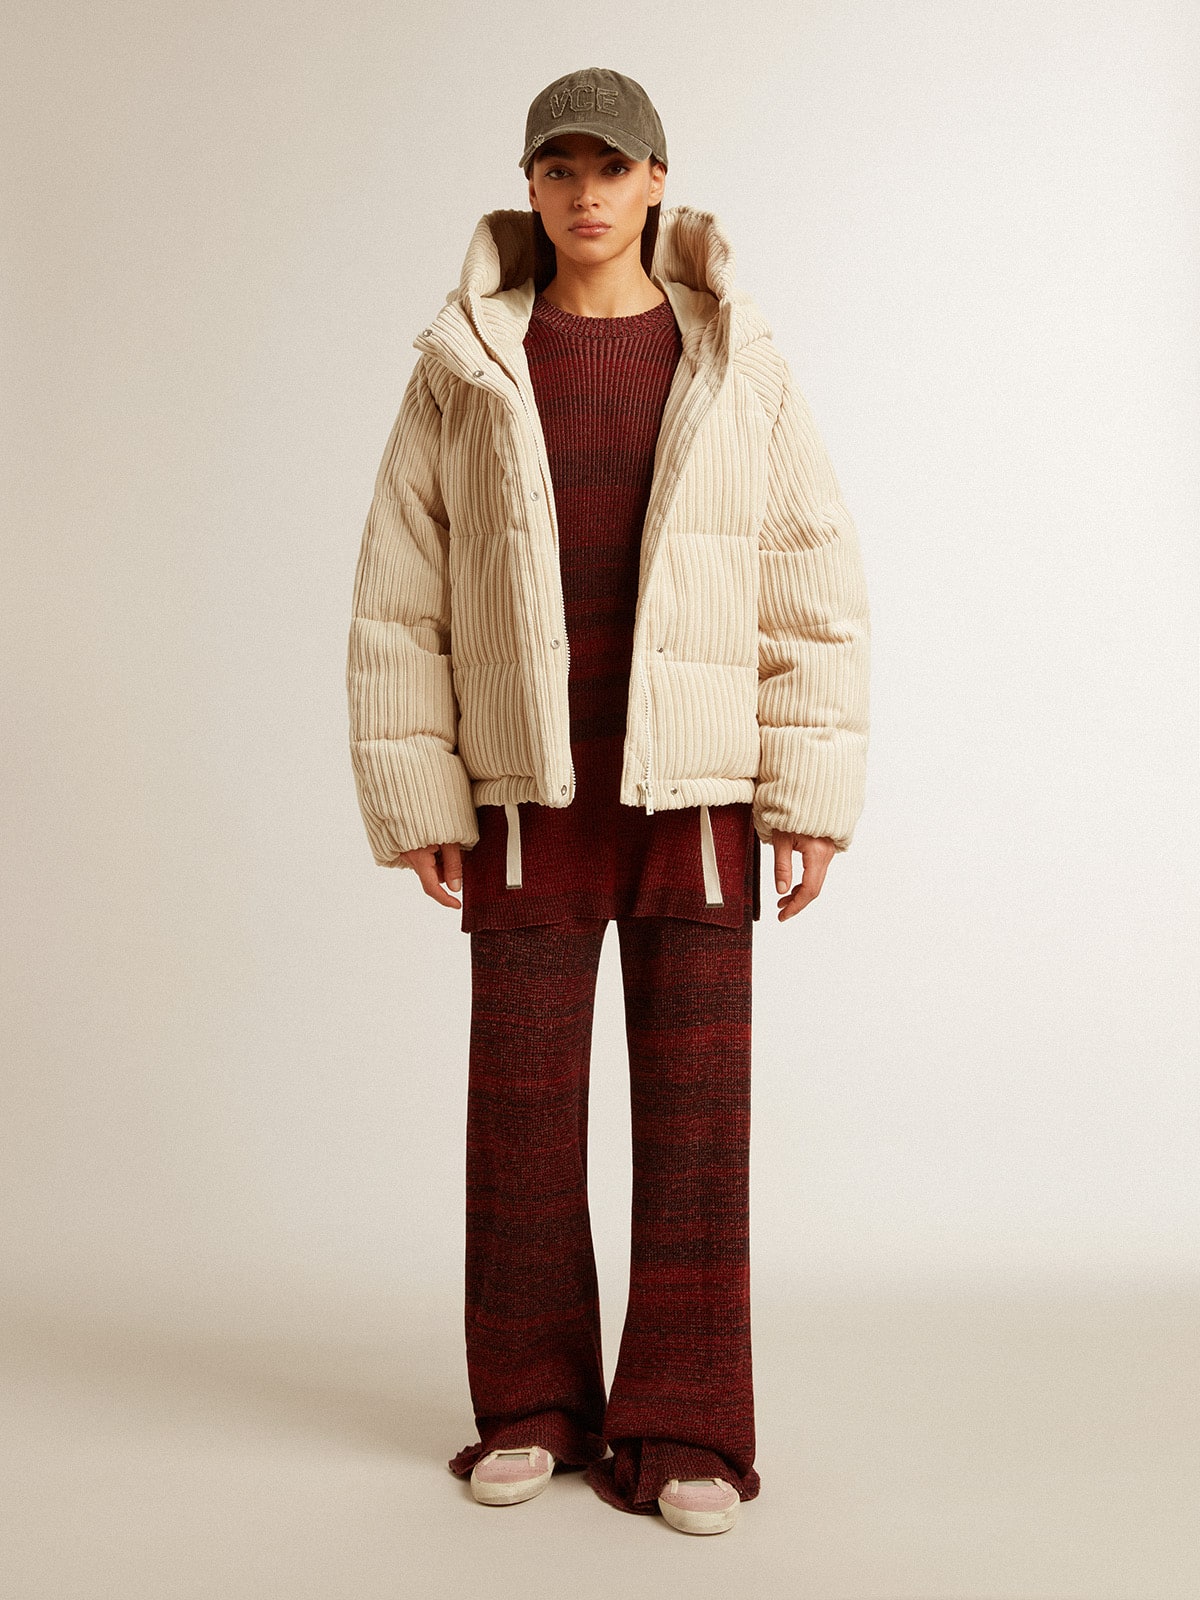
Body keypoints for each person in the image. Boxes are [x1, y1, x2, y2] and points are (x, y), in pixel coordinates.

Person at [346, 66, 870, 1536]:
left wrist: (807, 795)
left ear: (658, 181)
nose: (587, 193)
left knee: (698, 1123)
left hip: (694, 797)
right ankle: (531, 1407)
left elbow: (811, 584)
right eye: (559, 168)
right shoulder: (465, 362)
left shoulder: (737, 359)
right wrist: (422, 788)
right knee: (520, 1116)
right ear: (529, 186)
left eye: (613, 168)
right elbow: (398, 592)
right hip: (528, 795)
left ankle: (689, 1426)